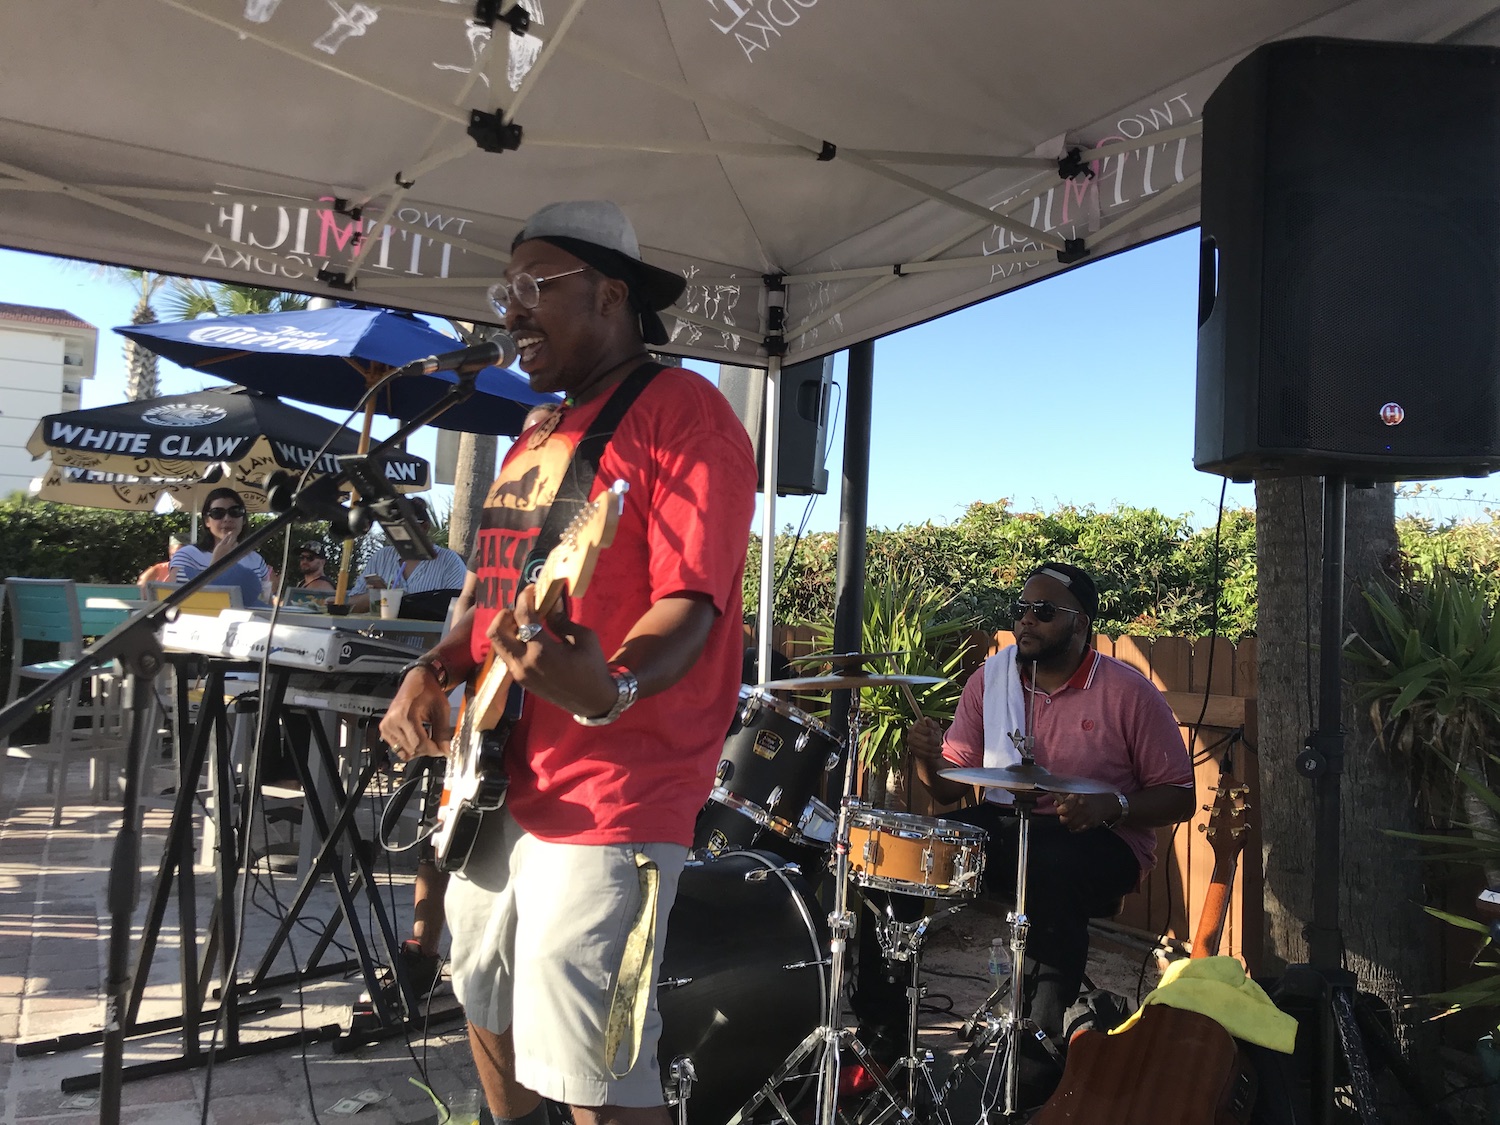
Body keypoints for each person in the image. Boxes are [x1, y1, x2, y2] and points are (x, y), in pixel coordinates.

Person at [379, 199, 757, 1125]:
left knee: (596, 1066)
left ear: (611, 294)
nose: (510, 308)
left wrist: (612, 683)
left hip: (614, 790)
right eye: (504, 290)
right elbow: (493, 593)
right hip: (497, 774)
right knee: (484, 996)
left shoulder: (686, 413)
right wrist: (436, 666)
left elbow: (691, 602)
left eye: (533, 286)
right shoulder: (538, 431)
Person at [904, 562, 1195, 1103]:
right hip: (1010, 821)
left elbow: (1181, 795)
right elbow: (946, 791)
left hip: (1105, 840)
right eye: (1021, 610)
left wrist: (1113, 806)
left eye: (1043, 611)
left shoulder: (1128, 692)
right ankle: (885, 1029)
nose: (1026, 620)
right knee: (907, 852)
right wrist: (925, 758)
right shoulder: (990, 682)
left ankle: (1038, 1057)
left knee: (1049, 871)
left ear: (1081, 622)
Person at [347, 497, 468, 615]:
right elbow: (351, 605)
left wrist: (404, 601)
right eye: (389, 527)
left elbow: (460, 607)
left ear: (424, 527)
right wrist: (375, 596)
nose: (395, 533)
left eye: (402, 527)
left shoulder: (448, 561)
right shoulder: (381, 557)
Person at [168, 488, 275, 607]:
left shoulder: (256, 560)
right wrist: (217, 563)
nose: (227, 519)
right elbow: (175, 599)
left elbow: (267, 605)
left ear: (244, 519)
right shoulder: (187, 555)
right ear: (207, 521)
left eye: (235, 511)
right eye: (217, 513)